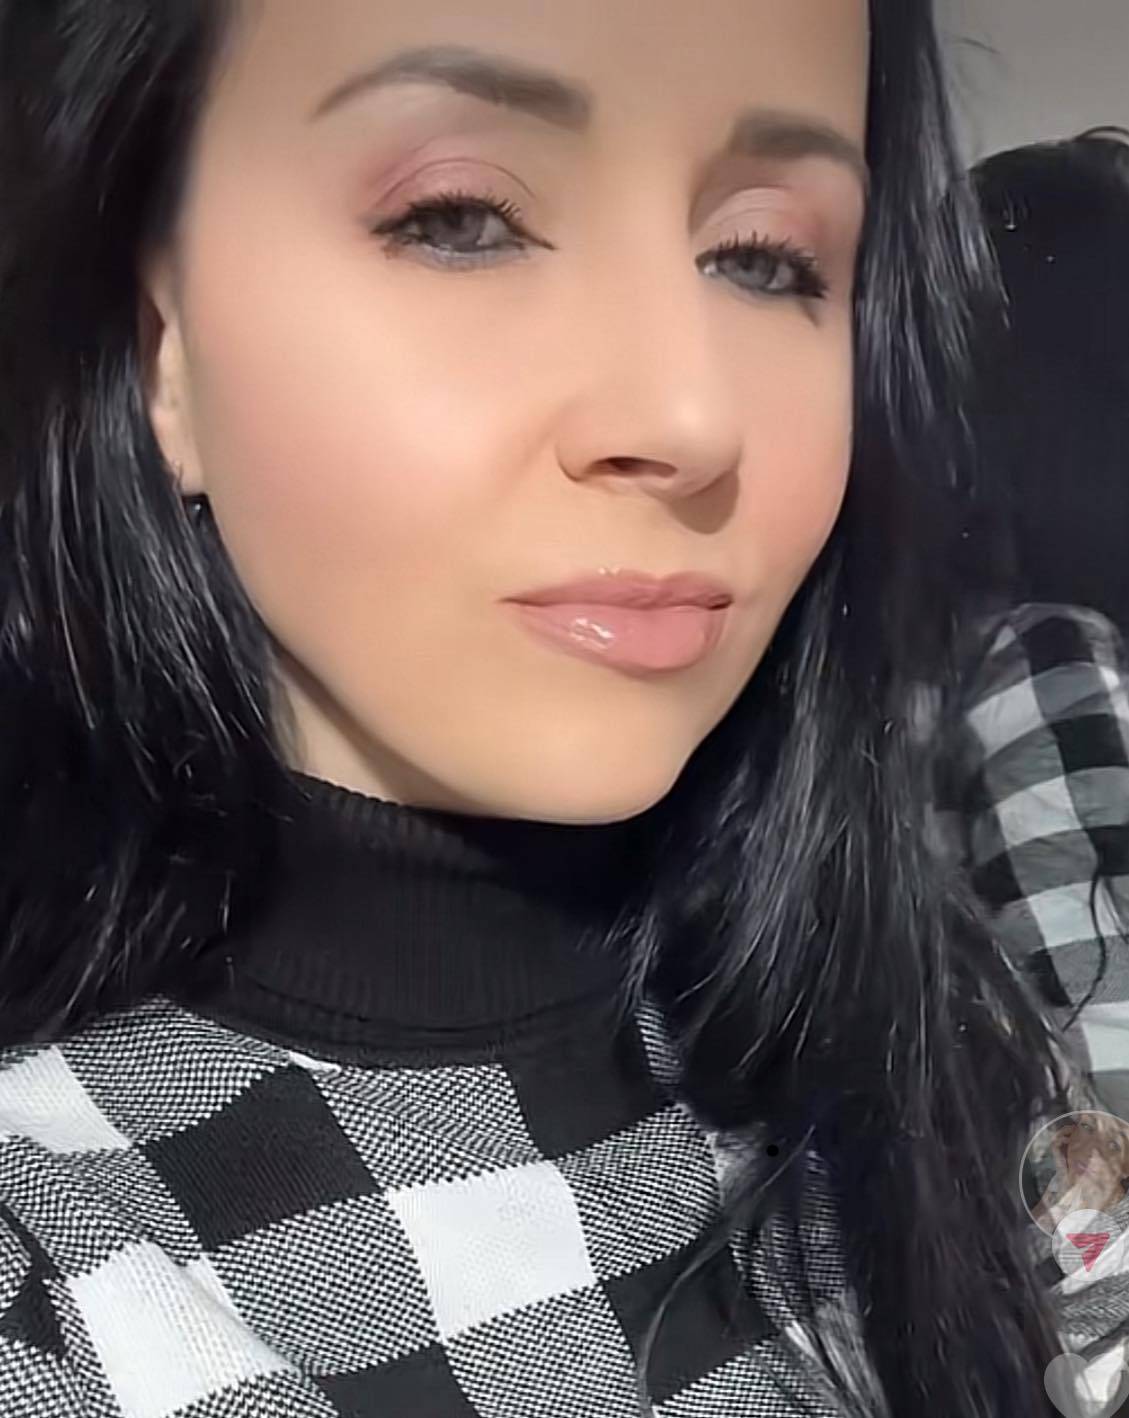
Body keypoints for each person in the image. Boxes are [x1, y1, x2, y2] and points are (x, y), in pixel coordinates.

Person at [0, 3, 1124, 1415]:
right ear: (157, 343)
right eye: (462, 219)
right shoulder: (54, 1270)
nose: (687, 415)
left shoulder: (925, 1010)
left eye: (766, 258)